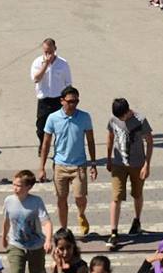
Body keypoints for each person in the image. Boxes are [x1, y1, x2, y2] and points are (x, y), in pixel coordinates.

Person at [39, 85, 98, 237]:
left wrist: (93, 164)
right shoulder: (53, 118)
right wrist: (42, 167)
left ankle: (81, 214)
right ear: (62, 101)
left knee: (80, 197)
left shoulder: (84, 117)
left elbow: (90, 141)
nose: (73, 104)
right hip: (60, 165)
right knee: (61, 199)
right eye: (70, 101)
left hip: (79, 165)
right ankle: (64, 230)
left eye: (76, 101)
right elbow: (46, 143)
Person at [106, 97, 154, 244]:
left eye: (123, 116)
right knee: (116, 197)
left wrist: (147, 164)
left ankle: (137, 220)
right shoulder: (113, 120)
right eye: (119, 117)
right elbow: (110, 137)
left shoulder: (140, 120)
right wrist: (108, 158)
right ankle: (114, 232)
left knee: (137, 194)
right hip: (118, 164)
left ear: (128, 111)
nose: (121, 119)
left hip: (137, 164)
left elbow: (149, 142)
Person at [31, 37, 72, 138]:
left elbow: (68, 83)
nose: (48, 55)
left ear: (55, 49)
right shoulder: (37, 62)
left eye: (50, 52)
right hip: (44, 100)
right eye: (46, 52)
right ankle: (43, 145)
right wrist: (45, 65)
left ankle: (59, 146)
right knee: (41, 129)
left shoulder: (63, 63)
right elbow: (36, 79)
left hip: (59, 100)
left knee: (60, 128)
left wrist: (68, 101)